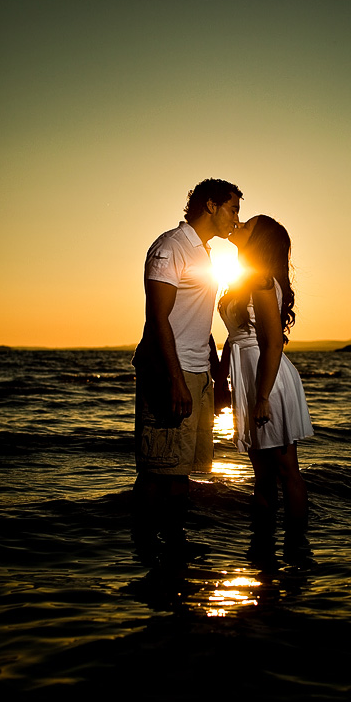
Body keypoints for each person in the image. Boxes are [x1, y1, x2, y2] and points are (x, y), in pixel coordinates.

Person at [132, 178, 242, 512]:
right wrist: (176, 378)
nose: (236, 218)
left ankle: (176, 551)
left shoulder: (204, 253)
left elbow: (198, 321)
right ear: (211, 205)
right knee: (157, 471)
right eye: (233, 209)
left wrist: (215, 378)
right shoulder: (171, 247)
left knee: (182, 473)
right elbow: (158, 317)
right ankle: (148, 550)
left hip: (197, 374)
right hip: (170, 372)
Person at [217, 215, 313, 531]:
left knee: (287, 472)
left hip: (268, 381)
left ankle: (298, 550)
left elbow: (273, 344)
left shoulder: (262, 281)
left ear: (258, 240)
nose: (239, 224)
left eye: (247, 225)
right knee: (262, 474)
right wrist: (222, 383)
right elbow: (234, 339)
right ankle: (264, 555)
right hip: (247, 378)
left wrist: (261, 397)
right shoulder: (245, 279)